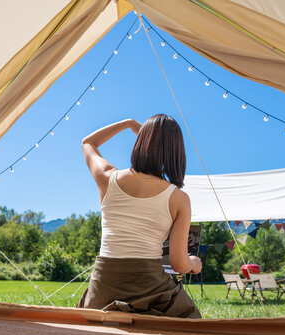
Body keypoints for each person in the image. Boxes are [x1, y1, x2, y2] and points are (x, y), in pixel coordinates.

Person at [76, 114, 202, 318]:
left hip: (103, 288)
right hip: (150, 289)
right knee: (192, 323)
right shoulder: (179, 198)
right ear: (177, 152)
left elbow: (88, 142)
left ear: (140, 142)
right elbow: (179, 264)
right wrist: (194, 263)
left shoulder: (107, 178)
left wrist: (128, 124)